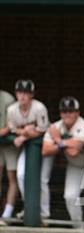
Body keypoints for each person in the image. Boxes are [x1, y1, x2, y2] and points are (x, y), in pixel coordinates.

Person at [42, 97, 84, 229]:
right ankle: (79, 230)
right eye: (64, 111)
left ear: (77, 113)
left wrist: (58, 140)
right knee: (70, 197)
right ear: (61, 113)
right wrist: (66, 143)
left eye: (71, 111)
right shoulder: (56, 126)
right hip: (75, 166)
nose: (67, 114)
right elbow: (45, 150)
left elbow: (74, 151)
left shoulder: (81, 124)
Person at [7, 80, 53, 221]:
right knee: (21, 175)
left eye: (26, 93)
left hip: (45, 145)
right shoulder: (12, 110)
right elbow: (13, 130)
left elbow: (42, 130)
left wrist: (24, 135)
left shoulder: (39, 108)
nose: (22, 96)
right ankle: (30, 208)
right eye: (20, 92)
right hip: (28, 147)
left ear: (31, 95)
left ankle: (44, 214)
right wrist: (26, 132)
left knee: (42, 180)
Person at [0, 90, 18, 222]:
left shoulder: (8, 99)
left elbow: (11, 126)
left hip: (9, 143)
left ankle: (7, 213)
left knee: (12, 176)